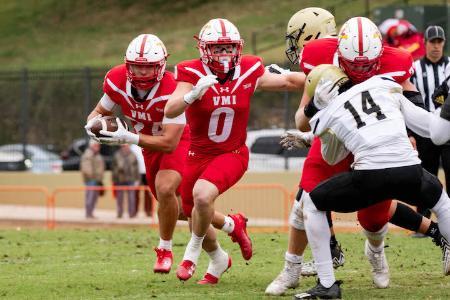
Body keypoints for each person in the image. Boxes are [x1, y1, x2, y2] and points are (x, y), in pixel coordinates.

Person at [266, 10, 444, 296]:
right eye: (352, 65)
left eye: (368, 65)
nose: (360, 70)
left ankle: (376, 252)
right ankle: (292, 269)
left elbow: (413, 103)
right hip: (333, 142)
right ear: (339, 52)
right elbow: (301, 118)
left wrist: (408, 134)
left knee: (373, 218)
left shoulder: (395, 60)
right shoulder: (321, 59)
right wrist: (314, 109)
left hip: (371, 145)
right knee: (306, 202)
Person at [84, 34, 254, 275]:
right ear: (127, 64)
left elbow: (168, 143)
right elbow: (99, 111)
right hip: (148, 146)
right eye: (137, 67)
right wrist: (92, 126)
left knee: (166, 189)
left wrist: (128, 137)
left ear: (161, 65)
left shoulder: (172, 87)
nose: (142, 73)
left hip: (177, 141)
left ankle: (165, 249)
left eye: (149, 68)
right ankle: (227, 234)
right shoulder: (117, 79)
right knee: (182, 210)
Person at [164, 18, 305, 284]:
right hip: (198, 154)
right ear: (204, 49)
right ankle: (220, 255)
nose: (225, 53)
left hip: (233, 153)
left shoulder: (249, 68)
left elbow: (287, 81)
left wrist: (322, 76)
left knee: (202, 197)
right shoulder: (190, 71)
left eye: (229, 47)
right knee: (189, 209)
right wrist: (192, 95)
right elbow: (170, 109)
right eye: (218, 48)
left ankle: (190, 254)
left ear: (238, 48)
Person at [295, 64, 450, 299]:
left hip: (370, 177)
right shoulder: (384, 84)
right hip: (409, 171)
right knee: (442, 202)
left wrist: (313, 134)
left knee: (312, 204)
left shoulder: (330, 111)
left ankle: (327, 285)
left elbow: (332, 156)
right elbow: (428, 127)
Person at [410, 25, 450, 227]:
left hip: (449, 131)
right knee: (426, 177)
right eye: (432, 42)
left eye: (439, 42)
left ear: (443, 43)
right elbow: (407, 98)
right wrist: (410, 132)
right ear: (424, 43)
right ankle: (423, 223)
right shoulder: (415, 68)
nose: (436, 46)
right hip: (424, 130)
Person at [111, 144, 140, 218]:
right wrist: (114, 179)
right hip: (120, 180)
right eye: (123, 146)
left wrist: (137, 180)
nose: (125, 147)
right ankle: (119, 214)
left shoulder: (133, 155)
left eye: (126, 146)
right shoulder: (116, 155)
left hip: (131, 179)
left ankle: (131, 214)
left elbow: (136, 168)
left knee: (131, 198)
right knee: (119, 199)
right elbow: (113, 168)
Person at [80, 140, 105, 219]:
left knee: (94, 198)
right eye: (96, 145)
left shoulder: (98, 155)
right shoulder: (88, 155)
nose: (98, 147)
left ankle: (91, 213)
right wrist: (93, 177)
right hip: (91, 180)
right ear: (92, 146)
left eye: (98, 146)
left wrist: (99, 178)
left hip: (97, 180)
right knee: (90, 197)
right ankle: (88, 213)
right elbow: (86, 168)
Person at [130, 144, 153, 217]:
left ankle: (148, 211)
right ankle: (134, 211)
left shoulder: (148, 144)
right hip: (137, 173)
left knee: (148, 193)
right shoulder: (133, 147)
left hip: (147, 172)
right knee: (136, 193)